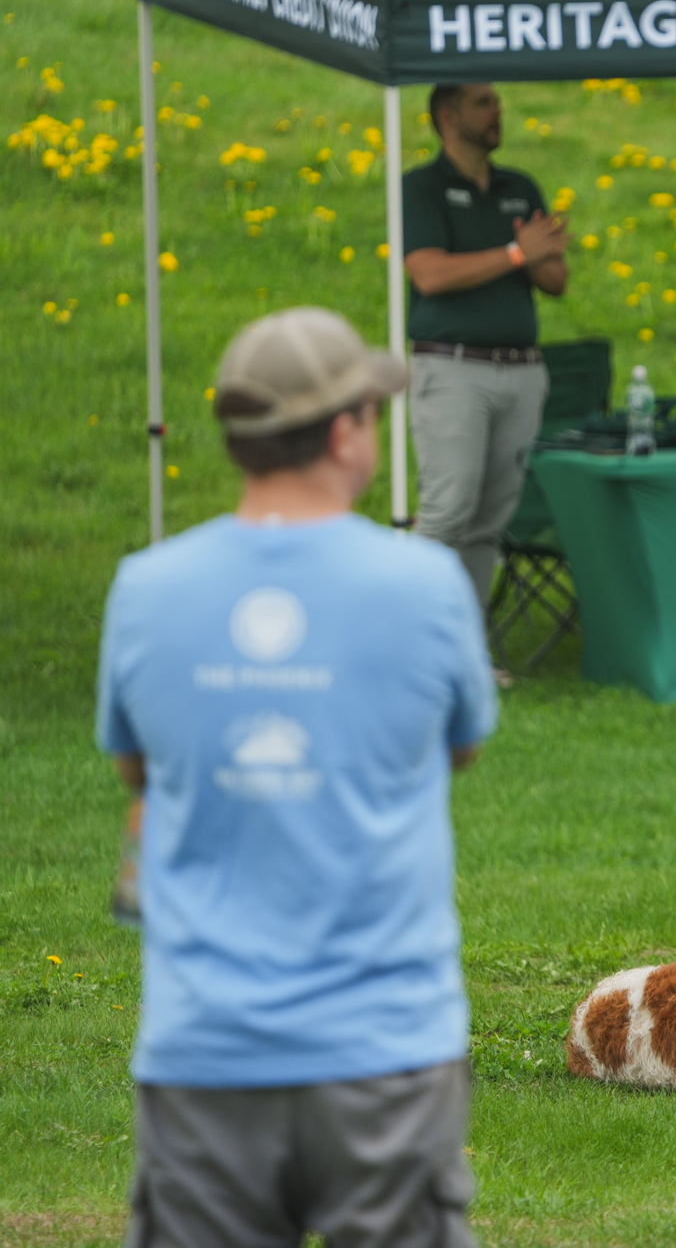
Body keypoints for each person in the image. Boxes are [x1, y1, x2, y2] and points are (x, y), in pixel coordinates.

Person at [96, 308, 497, 1246]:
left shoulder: (145, 587)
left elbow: (136, 765)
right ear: (346, 429)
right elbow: (460, 743)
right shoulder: (427, 584)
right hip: (387, 1049)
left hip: (203, 1053)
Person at [403, 81, 569, 605]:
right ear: (448, 116)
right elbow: (429, 273)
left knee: (488, 523)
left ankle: (466, 651)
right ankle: (404, 642)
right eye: (484, 102)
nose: (499, 110)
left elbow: (557, 282)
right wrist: (517, 254)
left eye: (497, 101)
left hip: (521, 372)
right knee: (448, 512)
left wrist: (540, 254)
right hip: (454, 371)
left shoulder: (520, 187)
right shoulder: (421, 188)